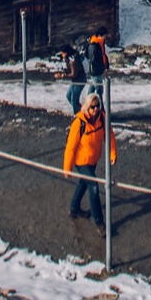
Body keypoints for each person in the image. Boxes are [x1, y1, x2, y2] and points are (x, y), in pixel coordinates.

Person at [63, 92, 111, 223]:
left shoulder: (102, 118)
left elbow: (109, 135)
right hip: (81, 161)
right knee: (93, 186)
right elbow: (70, 147)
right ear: (86, 107)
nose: (95, 109)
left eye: (97, 106)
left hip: (93, 159)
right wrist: (67, 168)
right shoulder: (79, 123)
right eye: (92, 107)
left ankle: (74, 209)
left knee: (84, 182)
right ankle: (100, 223)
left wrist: (112, 153)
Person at [63, 42, 89, 113]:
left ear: (66, 53)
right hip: (76, 80)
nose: (62, 54)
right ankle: (82, 111)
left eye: (63, 53)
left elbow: (74, 74)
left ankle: (78, 114)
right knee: (69, 96)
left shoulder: (73, 60)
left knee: (74, 100)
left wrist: (63, 76)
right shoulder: (70, 59)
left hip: (79, 81)